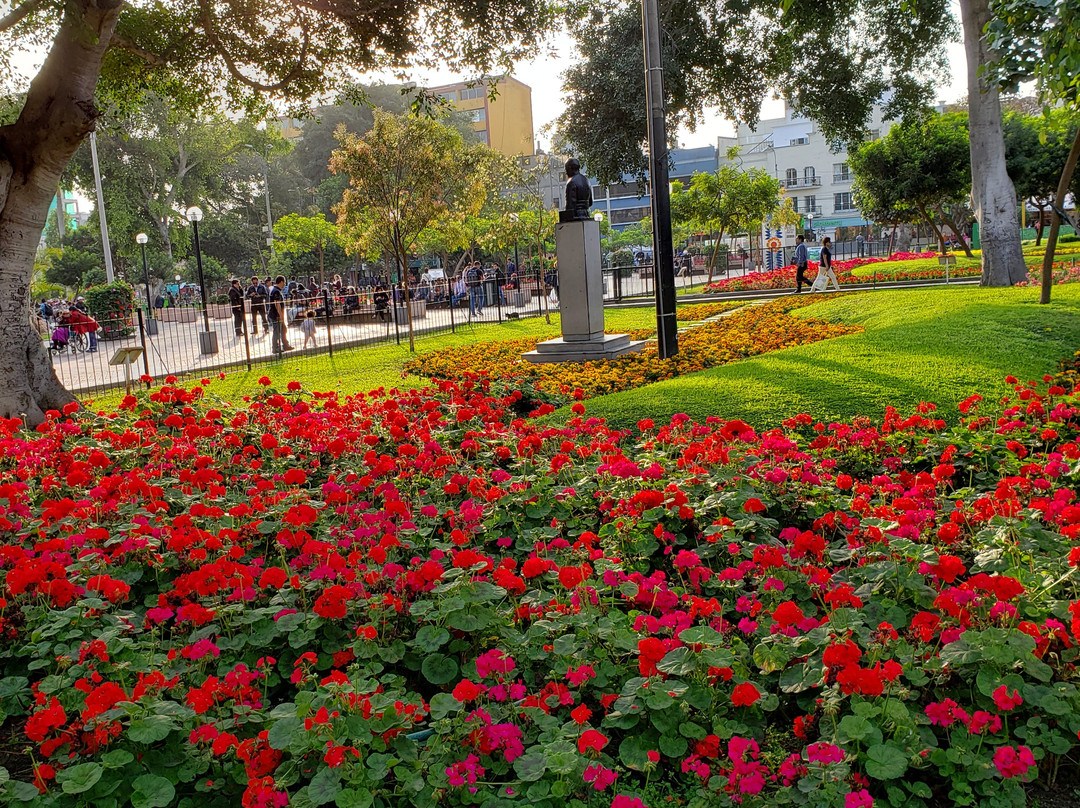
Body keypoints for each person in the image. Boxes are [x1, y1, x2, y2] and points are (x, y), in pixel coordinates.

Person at [267, 275, 294, 355]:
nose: (284, 284)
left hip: (276, 314)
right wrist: (281, 316)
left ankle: (285, 345)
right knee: (277, 331)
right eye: (284, 282)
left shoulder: (275, 290)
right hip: (276, 315)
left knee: (283, 329)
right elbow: (277, 304)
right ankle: (275, 348)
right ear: (281, 282)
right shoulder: (276, 291)